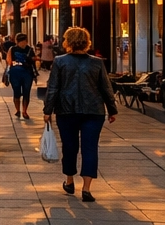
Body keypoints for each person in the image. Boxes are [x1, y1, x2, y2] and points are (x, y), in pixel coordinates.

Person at [44, 26, 117, 202]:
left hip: (66, 111)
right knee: (90, 148)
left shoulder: (60, 61)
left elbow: (53, 88)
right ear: (86, 42)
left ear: (67, 41)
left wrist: (48, 110)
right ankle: (86, 188)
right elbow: (106, 88)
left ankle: (69, 181)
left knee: (69, 147)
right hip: (93, 111)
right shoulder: (97, 62)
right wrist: (112, 109)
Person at [6, 32, 38, 120]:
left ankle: (24, 111)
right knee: (16, 92)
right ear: (17, 41)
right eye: (22, 41)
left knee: (26, 92)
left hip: (27, 73)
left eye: (25, 41)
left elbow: (33, 62)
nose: (24, 43)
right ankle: (17, 110)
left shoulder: (30, 49)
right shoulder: (12, 49)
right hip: (15, 73)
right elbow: (9, 61)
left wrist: (35, 74)